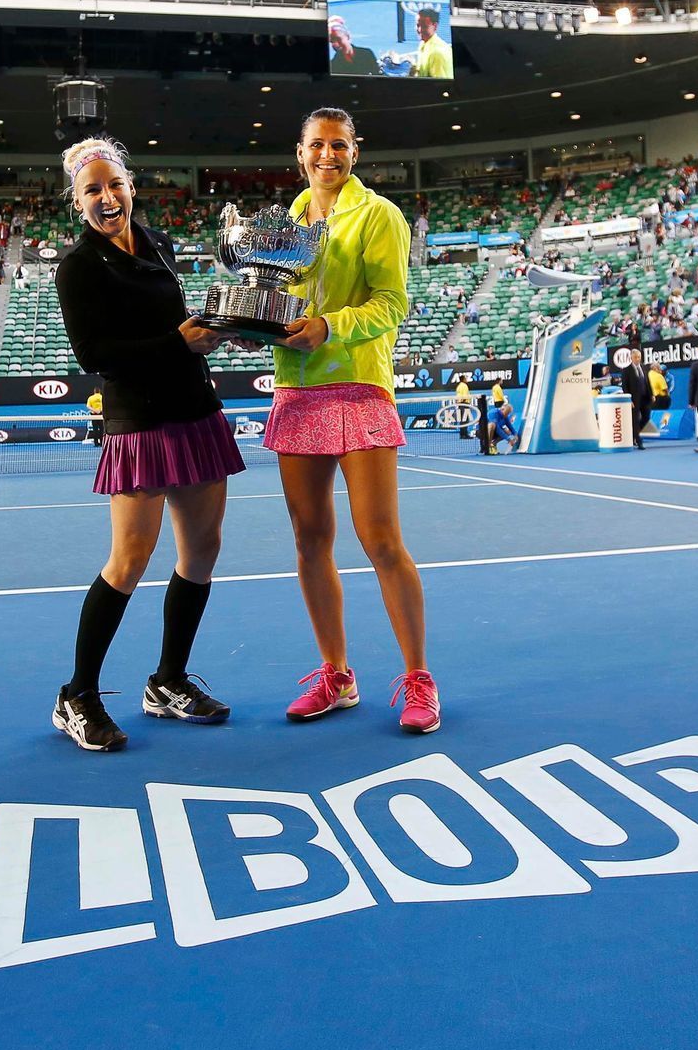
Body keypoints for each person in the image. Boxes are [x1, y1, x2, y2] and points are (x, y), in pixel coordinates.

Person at [51, 138, 244, 753]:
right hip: (139, 420)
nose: (107, 198)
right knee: (130, 558)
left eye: (115, 185)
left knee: (202, 551)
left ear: (131, 186)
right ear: (77, 201)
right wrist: (179, 343)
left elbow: (174, 326)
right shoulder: (78, 266)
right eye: (93, 190)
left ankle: (168, 681)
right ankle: (77, 695)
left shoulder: (158, 242)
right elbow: (95, 355)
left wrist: (221, 330)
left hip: (195, 408)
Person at [270, 107, 440, 734]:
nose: (327, 155)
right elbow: (278, 300)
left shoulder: (380, 215)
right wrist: (254, 324)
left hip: (360, 387)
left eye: (338, 145)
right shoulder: (283, 223)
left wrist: (329, 327)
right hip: (297, 390)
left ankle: (419, 679)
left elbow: (392, 304)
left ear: (354, 152)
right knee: (310, 540)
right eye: (317, 145)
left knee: (381, 540)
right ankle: (336, 674)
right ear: (300, 152)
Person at [384, 7, 453, 79]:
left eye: (424, 26)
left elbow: (440, 84)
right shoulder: (423, 43)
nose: (420, 30)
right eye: (418, 25)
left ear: (435, 26)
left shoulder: (437, 54)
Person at [619, 347, 653, 449]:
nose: (638, 359)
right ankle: (639, 441)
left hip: (645, 397)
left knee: (646, 417)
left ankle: (634, 434)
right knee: (635, 420)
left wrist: (652, 394)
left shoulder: (644, 367)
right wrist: (629, 400)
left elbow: (648, 382)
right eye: (635, 357)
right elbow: (625, 386)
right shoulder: (626, 370)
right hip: (634, 399)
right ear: (631, 358)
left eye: (639, 357)